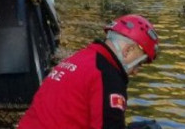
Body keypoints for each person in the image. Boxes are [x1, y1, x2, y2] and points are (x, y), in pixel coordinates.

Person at [18, 14, 160, 129]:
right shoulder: (108, 77)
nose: (136, 71)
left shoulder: (82, 58)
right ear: (128, 50)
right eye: (139, 63)